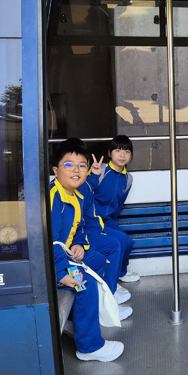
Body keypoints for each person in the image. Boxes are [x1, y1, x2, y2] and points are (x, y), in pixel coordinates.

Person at [50, 139, 124, 362]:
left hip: (66, 255)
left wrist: (79, 245)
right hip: (52, 265)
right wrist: (60, 273)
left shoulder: (76, 195)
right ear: (56, 170)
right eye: (69, 165)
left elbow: (79, 228)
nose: (76, 170)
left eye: (82, 165)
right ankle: (89, 346)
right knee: (85, 282)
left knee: (98, 260)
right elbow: (48, 242)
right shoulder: (54, 198)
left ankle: (77, 321)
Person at [87, 135, 140, 283]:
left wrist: (111, 223)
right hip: (92, 220)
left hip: (107, 221)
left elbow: (119, 204)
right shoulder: (101, 171)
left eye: (127, 151)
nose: (122, 155)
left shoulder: (128, 179)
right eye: (118, 150)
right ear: (109, 153)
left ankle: (121, 273)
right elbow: (85, 193)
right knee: (119, 240)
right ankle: (112, 280)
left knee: (127, 242)